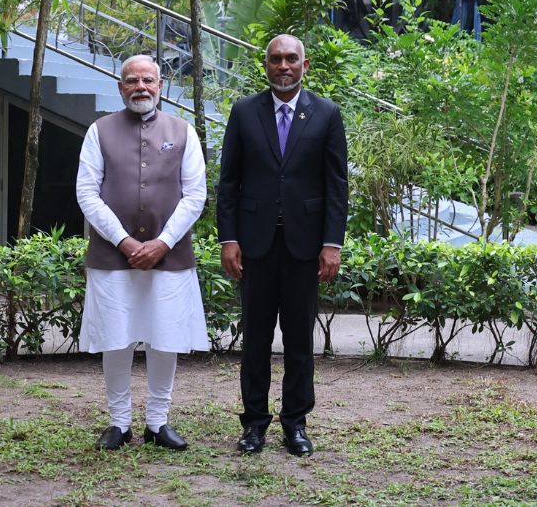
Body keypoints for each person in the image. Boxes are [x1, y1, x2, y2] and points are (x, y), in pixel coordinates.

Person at [216, 34, 348, 457]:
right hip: (254, 247)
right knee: (254, 340)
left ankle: (295, 423)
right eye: (276, 59)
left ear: (304, 66)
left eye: (292, 58)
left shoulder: (326, 114)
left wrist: (332, 243)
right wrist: (228, 238)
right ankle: (254, 424)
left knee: (298, 341)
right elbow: (228, 182)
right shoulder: (244, 111)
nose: (284, 66)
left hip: (304, 248)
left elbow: (336, 186)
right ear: (266, 65)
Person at [76, 54, 209, 451]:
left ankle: (157, 421)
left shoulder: (183, 131)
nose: (141, 87)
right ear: (121, 87)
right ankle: (119, 423)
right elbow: (87, 192)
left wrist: (163, 242)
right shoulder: (99, 131)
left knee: (164, 337)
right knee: (115, 338)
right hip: (112, 256)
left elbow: (195, 194)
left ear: (160, 86)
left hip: (169, 256)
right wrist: (124, 241)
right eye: (132, 81)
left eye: (148, 80)